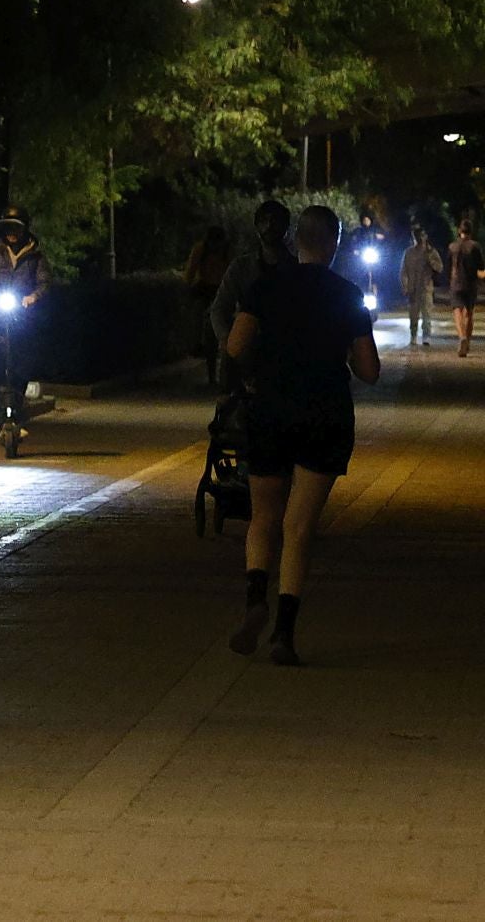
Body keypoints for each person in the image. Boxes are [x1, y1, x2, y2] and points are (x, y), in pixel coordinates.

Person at [224, 205, 380, 666]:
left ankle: (255, 598)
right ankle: (284, 635)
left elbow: (234, 346)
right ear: (334, 243)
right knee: (299, 528)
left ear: (297, 241)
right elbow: (369, 370)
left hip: (270, 410)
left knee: (263, 517)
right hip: (324, 415)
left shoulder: (265, 286)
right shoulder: (347, 295)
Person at [208, 200, 296, 393]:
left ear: (286, 228)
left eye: (276, 221)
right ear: (256, 227)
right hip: (246, 353)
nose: (270, 226)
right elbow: (219, 308)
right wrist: (228, 342)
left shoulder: (298, 268)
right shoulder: (241, 268)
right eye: (264, 220)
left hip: (285, 357)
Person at [0, 204, 51, 419]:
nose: (12, 234)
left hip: (24, 317)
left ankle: (18, 402)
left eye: (16, 229)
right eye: (8, 229)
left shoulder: (35, 256)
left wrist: (33, 297)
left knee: (23, 359)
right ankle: (2, 401)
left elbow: (44, 283)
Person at [183, 225, 232, 387]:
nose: (215, 248)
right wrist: (187, 289)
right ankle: (195, 343)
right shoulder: (200, 250)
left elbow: (233, 274)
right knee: (197, 315)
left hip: (222, 291)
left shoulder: (228, 252)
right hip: (204, 289)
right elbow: (190, 273)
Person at [398, 224, 443, 348]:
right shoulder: (408, 252)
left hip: (426, 287)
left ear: (425, 237)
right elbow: (403, 271)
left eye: (421, 236)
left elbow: (439, 268)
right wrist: (405, 286)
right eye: (416, 236)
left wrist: (430, 260)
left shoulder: (431, 252)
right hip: (413, 288)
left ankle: (426, 336)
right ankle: (413, 335)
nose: (419, 238)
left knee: (427, 314)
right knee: (413, 315)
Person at [448, 219, 485, 356]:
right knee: (469, 313)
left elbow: (448, 267)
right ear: (471, 231)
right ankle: (467, 342)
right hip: (470, 284)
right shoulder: (475, 247)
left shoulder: (452, 247)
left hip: (456, 283)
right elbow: (481, 267)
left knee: (457, 312)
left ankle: (462, 337)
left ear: (459, 231)